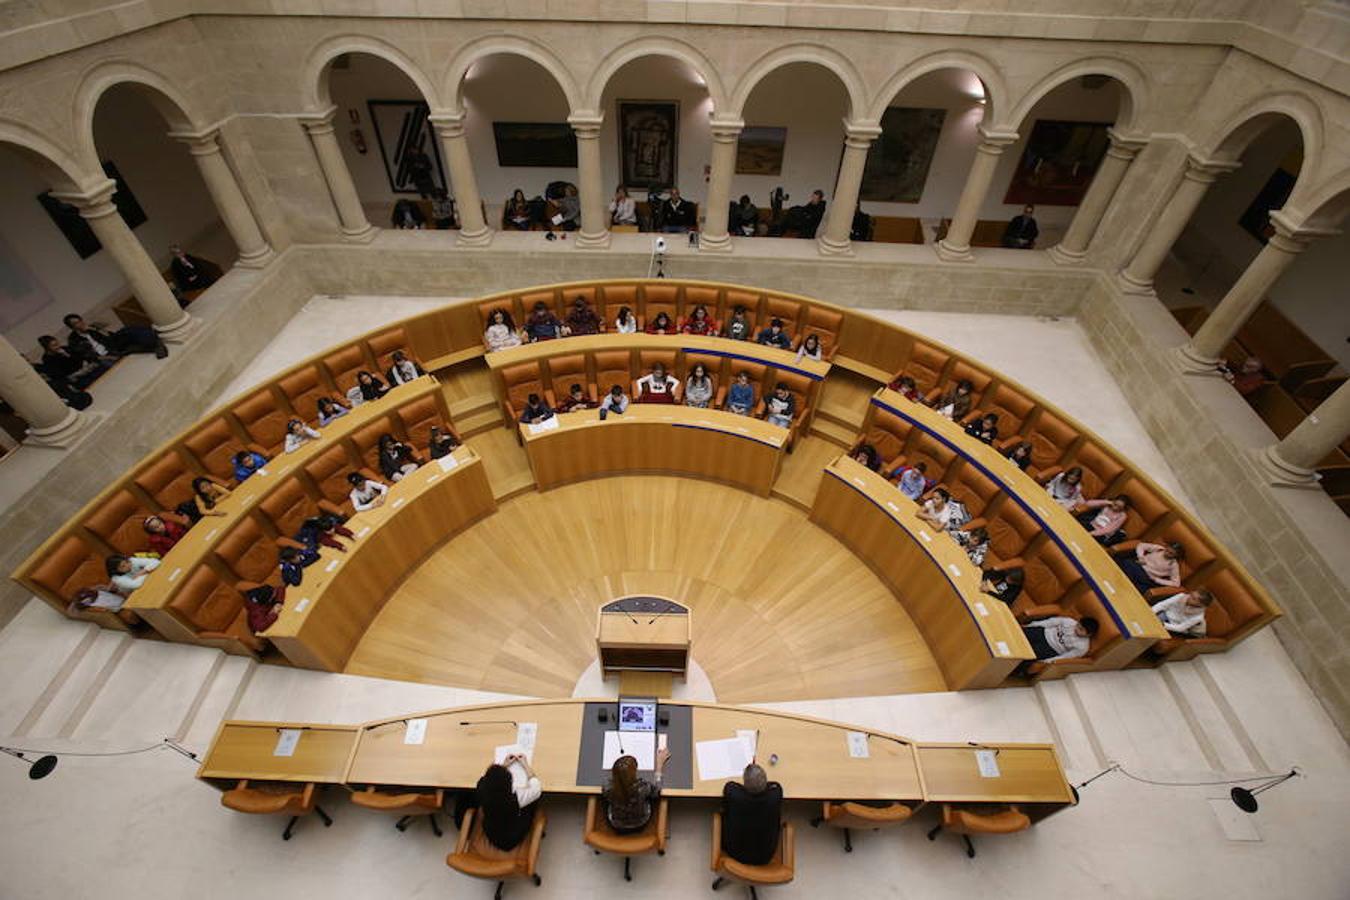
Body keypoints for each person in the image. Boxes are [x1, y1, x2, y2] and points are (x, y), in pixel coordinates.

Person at [720, 763, 783, 867]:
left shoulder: (734, 794)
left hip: (733, 852)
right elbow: (775, 785)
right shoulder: (775, 794)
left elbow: (729, 785)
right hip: (765, 856)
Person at [475, 754, 541, 852]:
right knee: (533, 801)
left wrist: (503, 766)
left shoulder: (481, 788)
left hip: (491, 833)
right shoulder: (515, 799)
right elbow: (536, 789)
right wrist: (525, 764)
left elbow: (485, 776)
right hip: (511, 838)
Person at [602, 749, 669, 833]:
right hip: (641, 823)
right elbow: (657, 790)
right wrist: (659, 766)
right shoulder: (642, 788)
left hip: (617, 823)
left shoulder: (608, 788)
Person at [63, 313, 166, 360]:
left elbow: (109, 335)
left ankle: (155, 340)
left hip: (112, 342)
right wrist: (107, 357)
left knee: (129, 330)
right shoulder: (74, 340)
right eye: (76, 323)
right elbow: (88, 356)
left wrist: (94, 329)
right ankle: (156, 343)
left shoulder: (91, 327)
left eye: (80, 320)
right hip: (107, 353)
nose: (80, 324)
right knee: (132, 344)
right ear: (72, 327)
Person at [39, 335, 108, 388]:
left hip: (86, 369)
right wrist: (78, 372)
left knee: (104, 367)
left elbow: (80, 357)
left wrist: (67, 355)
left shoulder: (65, 349)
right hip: (77, 377)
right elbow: (60, 375)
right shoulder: (47, 360)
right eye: (54, 345)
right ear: (47, 348)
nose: (58, 346)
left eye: (57, 343)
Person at [1115, 541, 1185, 593]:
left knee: (1128, 564)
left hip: (1147, 576)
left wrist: (1157, 580)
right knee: (1123, 560)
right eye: (1167, 550)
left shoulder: (1173, 565)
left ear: (1175, 556)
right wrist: (1141, 557)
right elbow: (1141, 545)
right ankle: (1125, 584)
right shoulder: (1159, 549)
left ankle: (1122, 584)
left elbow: (1176, 583)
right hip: (1139, 566)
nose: (1167, 553)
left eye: (1171, 553)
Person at [1022, 615, 1097, 661]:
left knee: (1026, 654)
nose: (1076, 629)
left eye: (1081, 629)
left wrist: (1048, 661)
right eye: (1078, 625)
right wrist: (1031, 625)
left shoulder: (1083, 647)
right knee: (1021, 635)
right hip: (1044, 633)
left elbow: (1066, 657)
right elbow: (1049, 622)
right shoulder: (1069, 621)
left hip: (1051, 649)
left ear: (1089, 635)